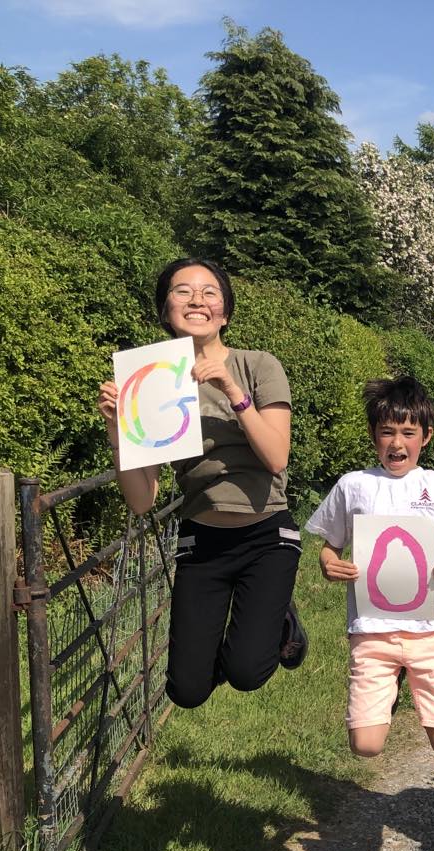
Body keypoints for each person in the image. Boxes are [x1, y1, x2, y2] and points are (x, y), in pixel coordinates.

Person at [98, 257, 307, 709]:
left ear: (225, 312)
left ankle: (278, 622)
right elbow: (141, 500)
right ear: (165, 309)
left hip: (266, 534)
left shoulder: (258, 366)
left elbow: (276, 456)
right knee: (187, 691)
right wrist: (118, 433)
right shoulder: (151, 380)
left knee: (247, 672)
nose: (197, 299)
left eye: (210, 291)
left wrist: (233, 391)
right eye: (182, 290)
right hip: (201, 540)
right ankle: (261, 621)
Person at [305, 377, 434, 757]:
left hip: (430, 631)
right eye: (387, 432)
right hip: (372, 631)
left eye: (408, 432)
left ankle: (400, 684)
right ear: (373, 435)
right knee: (366, 746)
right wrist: (330, 564)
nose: (397, 443)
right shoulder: (353, 485)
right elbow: (329, 548)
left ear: (426, 436)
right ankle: (386, 693)